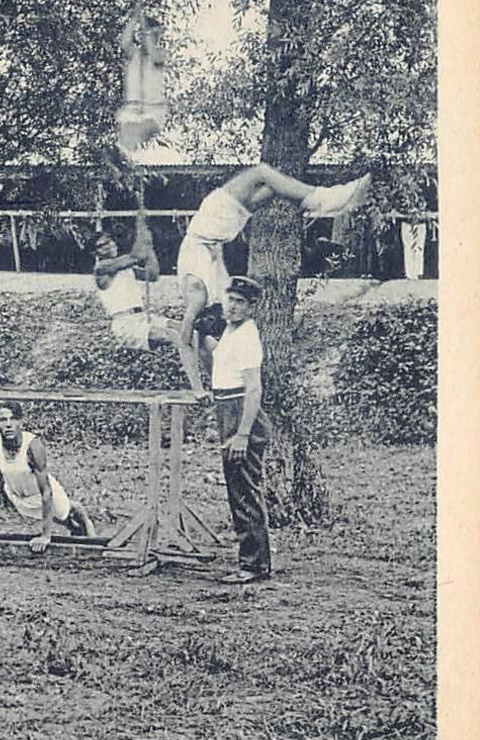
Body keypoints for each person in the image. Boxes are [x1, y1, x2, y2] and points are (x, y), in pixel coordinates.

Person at [178, 164, 372, 352]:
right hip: (213, 227)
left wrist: (190, 348)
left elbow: (193, 340)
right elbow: (198, 339)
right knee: (261, 173)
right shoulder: (205, 296)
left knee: (273, 189)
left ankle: (330, 202)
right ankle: (327, 199)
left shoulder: (205, 296)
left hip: (217, 231)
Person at [205, 276, 273, 585]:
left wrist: (243, 433)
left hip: (240, 412)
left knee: (244, 489)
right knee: (237, 488)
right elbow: (220, 362)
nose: (232, 307)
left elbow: (254, 389)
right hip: (225, 407)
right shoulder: (231, 332)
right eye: (229, 299)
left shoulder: (247, 336)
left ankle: (254, 565)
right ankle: (253, 560)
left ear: (252, 307)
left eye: (240, 302)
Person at [94, 220, 210, 403]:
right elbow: (135, 255)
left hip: (143, 318)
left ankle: (214, 381)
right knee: (176, 336)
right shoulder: (102, 269)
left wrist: (151, 248)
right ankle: (198, 391)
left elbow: (153, 274)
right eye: (101, 246)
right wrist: (144, 238)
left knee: (190, 332)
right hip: (126, 324)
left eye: (109, 242)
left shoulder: (126, 269)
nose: (108, 247)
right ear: (96, 253)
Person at [0, 401, 96, 554]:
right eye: (3, 420)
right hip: (18, 496)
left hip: (42, 493)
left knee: (66, 512)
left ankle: (85, 523)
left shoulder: (32, 445)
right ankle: (74, 528)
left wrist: (45, 536)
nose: (8, 424)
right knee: (63, 520)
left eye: (13, 419)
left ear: (20, 422)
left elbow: (46, 492)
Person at [116, 1, 167, 155]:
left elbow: (153, 53)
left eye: (156, 36)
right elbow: (124, 43)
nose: (154, 39)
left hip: (152, 110)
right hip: (131, 109)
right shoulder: (134, 54)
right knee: (125, 147)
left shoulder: (160, 54)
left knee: (142, 135)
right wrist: (135, 18)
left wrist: (146, 29)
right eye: (153, 35)